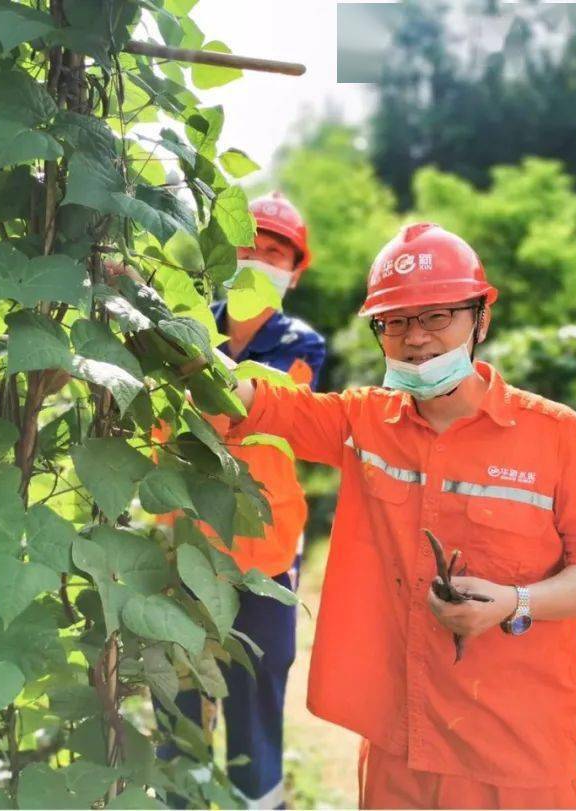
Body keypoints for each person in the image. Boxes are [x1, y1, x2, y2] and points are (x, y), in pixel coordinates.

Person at [212, 222, 576, 809]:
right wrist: (159, 324)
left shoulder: (562, 438)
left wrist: (516, 603)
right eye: (396, 321)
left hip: (515, 756)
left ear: (480, 318)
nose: (416, 339)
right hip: (398, 748)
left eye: (437, 316)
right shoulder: (365, 424)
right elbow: (260, 405)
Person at [158, 193, 326, 809]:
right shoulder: (192, 322)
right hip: (185, 546)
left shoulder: (299, 344)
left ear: (295, 270)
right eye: (250, 243)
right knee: (176, 696)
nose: (260, 257)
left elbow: (255, 415)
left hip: (264, 552)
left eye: (276, 250)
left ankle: (260, 801)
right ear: (229, 251)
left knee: (255, 694)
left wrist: (179, 358)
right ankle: (180, 798)